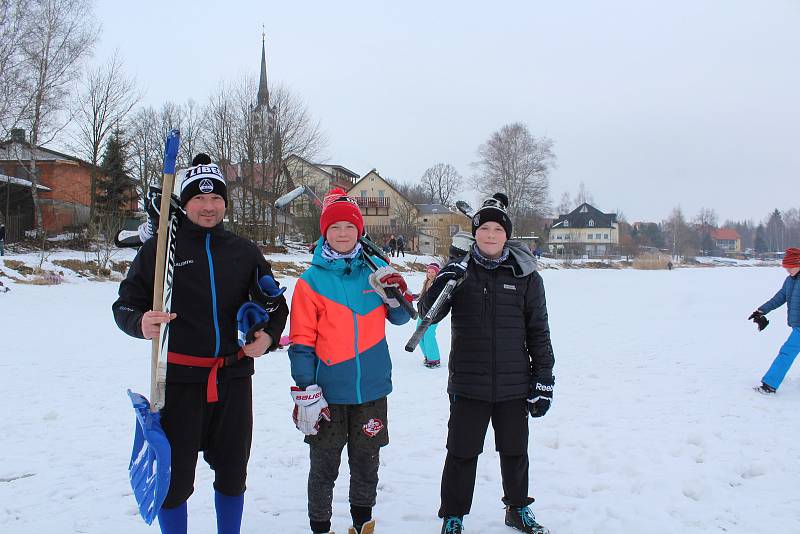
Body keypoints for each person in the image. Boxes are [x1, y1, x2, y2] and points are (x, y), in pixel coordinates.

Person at [112, 154, 289, 534]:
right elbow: (125, 303)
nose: (208, 207)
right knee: (174, 481)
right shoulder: (161, 253)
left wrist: (269, 336)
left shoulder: (243, 251)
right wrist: (139, 322)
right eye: (198, 199)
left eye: (216, 199)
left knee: (232, 472)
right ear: (185, 203)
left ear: (225, 203)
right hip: (177, 381)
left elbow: (277, 305)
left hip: (233, 379)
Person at [419, 193, 555, 534]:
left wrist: (544, 380)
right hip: (468, 382)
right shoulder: (461, 273)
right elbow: (426, 315)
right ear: (475, 233)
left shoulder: (526, 276)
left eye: (498, 229)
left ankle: (517, 508)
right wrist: (441, 281)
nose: (491, 235)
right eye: (485, 229)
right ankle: (453, 515)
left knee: (514, 451)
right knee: (461, 452)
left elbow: (539, 332)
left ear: (507, 235)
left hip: (513, 383)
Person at [288, 188, 412, 534]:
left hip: (371, 389)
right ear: (324, 232)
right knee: (324, 465)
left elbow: (402, 320)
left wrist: (396, 294)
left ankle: (362, 522)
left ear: (360, 231)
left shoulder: (376, 271)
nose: (343, 233)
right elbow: (301, 342)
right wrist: (305, 389)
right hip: (327, 391)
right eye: (334, 227)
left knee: (366, 462)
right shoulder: (310, 281)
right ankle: (320, 525)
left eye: (349, 227)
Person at [750, 247, 800, 394]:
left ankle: (769, 385)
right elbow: (779, 298)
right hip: (797, 325)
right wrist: (761, 311)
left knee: (787, 352)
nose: (788, 270)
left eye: (790, 267)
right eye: (786, 267)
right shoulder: (790, 280)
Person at [416, 261, 443, 368]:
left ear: (437, 273)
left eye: (433, 272)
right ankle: (428, 357)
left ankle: (434, 359)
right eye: (429, 271)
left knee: (428, 334)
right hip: (423, 312)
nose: (430, 274)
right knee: (418, 335)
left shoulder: (438, 283)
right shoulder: (426, 282)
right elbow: (423, 297)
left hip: (433, 313)